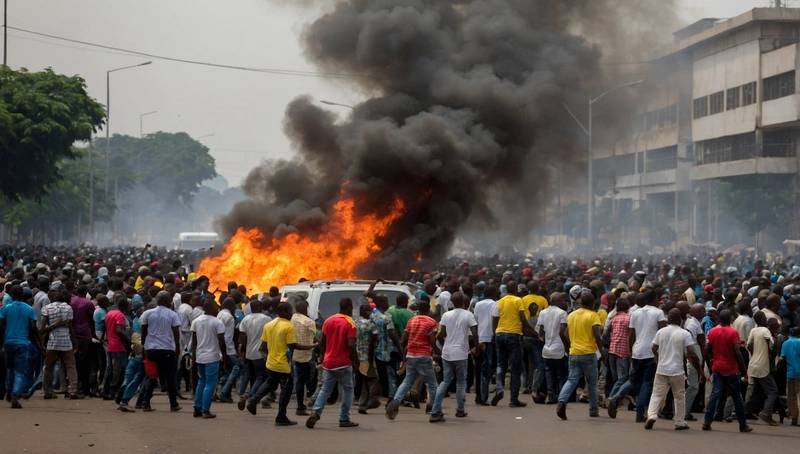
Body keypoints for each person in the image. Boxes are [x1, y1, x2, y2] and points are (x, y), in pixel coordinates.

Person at [246, 302, 312, 426]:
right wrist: (311, 346)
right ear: (285, 312)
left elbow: (263, 347)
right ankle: (281, 416)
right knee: (286, 389)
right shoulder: (288, 326)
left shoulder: (269, 325)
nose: (292, 314)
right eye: (290, 311)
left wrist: (268, 357)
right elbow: (293, 346)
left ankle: (253, 400)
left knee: (271, 382)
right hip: (283, 365)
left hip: (271, 363)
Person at [607, 291, 666, 422]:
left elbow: (631, 335)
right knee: (646, 383)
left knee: (633, 381)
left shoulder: (635, 313)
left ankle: (615, 398)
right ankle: (640, 413)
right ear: (654, 299)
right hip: (651, 352)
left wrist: (631, 351)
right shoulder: (658, 313)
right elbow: (663, 333)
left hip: (637, 351)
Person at [644, 308, 701, 430]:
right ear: (680, 320)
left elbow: (653, 347)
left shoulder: (661, 332)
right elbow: (692, 353)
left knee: (657, 394)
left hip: (662, 369)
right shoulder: (684, 333)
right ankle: (679, 421)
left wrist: (658, 358)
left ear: (668, 320)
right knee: (679, 396)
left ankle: (652, 415)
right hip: (677, 371)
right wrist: (698, 369)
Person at [306, 298, 358, 429]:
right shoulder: (350, 323)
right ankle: (344, 418)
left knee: (325, 389)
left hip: (329, 362)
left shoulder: (328, 321)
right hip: (344, 363)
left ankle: (316, 412)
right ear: (350, 307)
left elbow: (322, 342)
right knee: (347, 390)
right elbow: (351, 345)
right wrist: (355, 361)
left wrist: (324, 357)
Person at [385, 298, 439, 420]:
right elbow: (432, 340)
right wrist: (437, 351)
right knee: (432, 384)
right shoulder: (431, 322)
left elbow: (403, 339)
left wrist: (404, 353)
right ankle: (433, 408)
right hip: (424, 355)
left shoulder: (411, 321)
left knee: (407, 381)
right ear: (428, 310)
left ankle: (396, 401)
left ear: (418, 310)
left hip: (411, 355)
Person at [430, 291, 478, 422]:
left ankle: (435, 411)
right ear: (463, 302)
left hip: (447, 353)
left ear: (452, 302)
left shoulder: (446, 315)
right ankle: (460, 410)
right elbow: (474, 333)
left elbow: (440, 335)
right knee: (461, 383)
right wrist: (477, 348)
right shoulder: (468, 315)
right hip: (461, 353)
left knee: (445, 382)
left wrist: (442, 345)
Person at [703, 309, 752, 433]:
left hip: (717, 367)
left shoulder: (712, 331)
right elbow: (737, 352)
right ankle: (743, 425)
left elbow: (707, 350)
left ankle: (707, 422)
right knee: (737, 396)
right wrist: (744, 369)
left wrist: (711, 364)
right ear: (730, 319)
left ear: (719, 319)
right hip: (731, 369)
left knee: (715, 394)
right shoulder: (733, 332)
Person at [556, 292, 603, 420]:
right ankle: (593, 410)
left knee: (571, 380)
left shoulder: (571, 315)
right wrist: (602, 350)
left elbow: (564, 333)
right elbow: (597, 336)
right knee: (592, 383)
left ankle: (561, 401)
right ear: (592, 303)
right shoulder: (593, 315)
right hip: (588, 353)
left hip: (574, 352)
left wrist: (570, 345)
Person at [140, 290, 182, 412]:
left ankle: (145, 403)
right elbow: (176, 333)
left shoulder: (147, 313)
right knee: (170, 377)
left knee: (151, 377)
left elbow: (143, 331)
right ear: (166, 301)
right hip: (167, 350)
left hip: (151, 350)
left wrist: (144, 346)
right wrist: (177, 348)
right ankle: (173, 404)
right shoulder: (172, 314)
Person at [0, 285, 42, 408]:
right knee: (20, 371)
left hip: (8, 342)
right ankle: (15, 394)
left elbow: (1, 325)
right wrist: (39, 343)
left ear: (12, 295)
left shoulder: (6, 308)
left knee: (10, 368)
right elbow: (34, 328)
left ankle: (9, 390)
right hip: (22, 343)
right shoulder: (29, 309)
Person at [492, 280, 528, 407]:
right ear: (516, 290)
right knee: (515, 368)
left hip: (500, 334)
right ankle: (513, 399)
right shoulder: (518, 300)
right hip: (514, 335)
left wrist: (495, 333)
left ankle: (500, 389)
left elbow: (494, 318)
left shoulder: (499, 301)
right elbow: (523, 318)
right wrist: (530, 330)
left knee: (501, 365)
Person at [190, 300, 227, 419]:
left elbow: (194, 341)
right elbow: (222, 341)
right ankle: (205, 410)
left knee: (201, 382)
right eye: (216, 307)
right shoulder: (217, 322)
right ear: (210, 308)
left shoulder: (196, 321)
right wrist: (225, 356)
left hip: (200, 356)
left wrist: (194, 355)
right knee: (210, 383)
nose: (218, 309)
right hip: (212, 357)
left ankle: (197, 408)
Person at [40, 287, 79, 400]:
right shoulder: (68, 308)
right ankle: (73, 391)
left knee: (49, 367)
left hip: (52, 342)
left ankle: (48, 391)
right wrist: (75, 341)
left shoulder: (46, 308)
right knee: (71, 366)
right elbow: (71, 327)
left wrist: (53, 326)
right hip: (66, 342)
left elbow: (42, 329)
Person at [235, 299, 270, 411]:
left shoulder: (246, 319)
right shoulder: (266, 319)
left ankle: (252, 396)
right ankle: (248, 396)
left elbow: (242, 338)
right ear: (261, 308)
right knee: (261, 377)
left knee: (253, 377)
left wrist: (243, 351)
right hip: (261, 353)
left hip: (249, 353)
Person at [746, 311, 779, 426]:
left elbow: (749, 345)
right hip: (762, 365)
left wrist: (755, 353)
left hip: (753, 364)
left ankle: (748, 410)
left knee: (757, 391)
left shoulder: (753, 330)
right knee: (773, 391)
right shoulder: (765, 330)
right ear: (762, 319)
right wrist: (768, 351)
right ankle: (766, 413)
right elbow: (771, 342)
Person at [536, 292, 569, 404]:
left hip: (547, 349)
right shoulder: (563, 313)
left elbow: (540, 332)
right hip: (559, 348)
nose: (564, 302)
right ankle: (562, 397)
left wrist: (546, 341)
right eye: (563, 300)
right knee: (562, 374)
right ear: (558, 301)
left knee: (549, 373)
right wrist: (567, 346)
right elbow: (562, 332)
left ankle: (550, 395)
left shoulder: (543, 312)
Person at [103, 293, 131, 402]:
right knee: (119, 370)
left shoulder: (109, 313)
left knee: (110, 369)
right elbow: (119, 331)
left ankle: (106, 391)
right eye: (129, 306)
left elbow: (105, 328)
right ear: (125, 306)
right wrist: (128, 341)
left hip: (110, 345)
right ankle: (113, 392)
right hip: (118, 346)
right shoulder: (120, 315)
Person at [604, 296, 631, 410]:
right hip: (623, 352)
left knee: (617, 378)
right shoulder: (629, 318)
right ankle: (612, 399)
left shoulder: (613, 318)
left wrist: (611, 341)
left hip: (612, 350)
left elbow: (605, 333)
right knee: (622, 378)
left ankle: (613, 400)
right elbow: (631, 335)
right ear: (627, 308)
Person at [291, 298, 316, 416]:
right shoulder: (309, 322)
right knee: (306, 380)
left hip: (294, 355)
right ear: (305, 309)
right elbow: (315, 337)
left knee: (299, 380)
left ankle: (302, 405)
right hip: (307, 355)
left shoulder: (292, 318)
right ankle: (301, 406)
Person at [473, 286, 498, 406]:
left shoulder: (478, 304)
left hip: (480, 337)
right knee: (487, 369)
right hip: (490, 338)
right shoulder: (496, 304)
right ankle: (483, 397)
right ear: (493, 293)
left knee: (479, 369)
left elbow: (476, 322)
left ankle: (479, 395)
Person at [355, 303, 379, 414]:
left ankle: (362, 404)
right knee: (373, 378)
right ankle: (372, 400)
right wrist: (370, 356)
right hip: (367, 355)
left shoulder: (356, 323)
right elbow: (374, 340)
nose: (370, 313)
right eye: (368, 310)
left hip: (358, 354)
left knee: (364, 378)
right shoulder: (371, 324)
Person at [684, 303, 706, 421]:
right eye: (702, 310)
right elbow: (690, 345)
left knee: (693, 387)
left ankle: (685, 411)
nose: (704, 312)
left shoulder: (695, 323)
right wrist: (695, 361)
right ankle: (685, 412)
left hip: (695, 359)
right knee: (693, 387)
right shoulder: (692, 324)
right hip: (693, 360)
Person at [217, 297, 240, 403]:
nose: (235, 308)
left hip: (219, 348)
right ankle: (224, 392)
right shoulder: (229, 317)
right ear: (231, 306)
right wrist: (226, 352)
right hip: (228, 349)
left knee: (227, 370)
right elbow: (227, 337)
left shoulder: (220, 314)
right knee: (237, 368)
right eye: (234, 306)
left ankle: (221, 391)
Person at [779, 327, 800, 426]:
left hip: (791, 374)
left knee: (791, 397)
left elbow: (782, 359)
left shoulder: (785, 343)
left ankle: (794, 418)